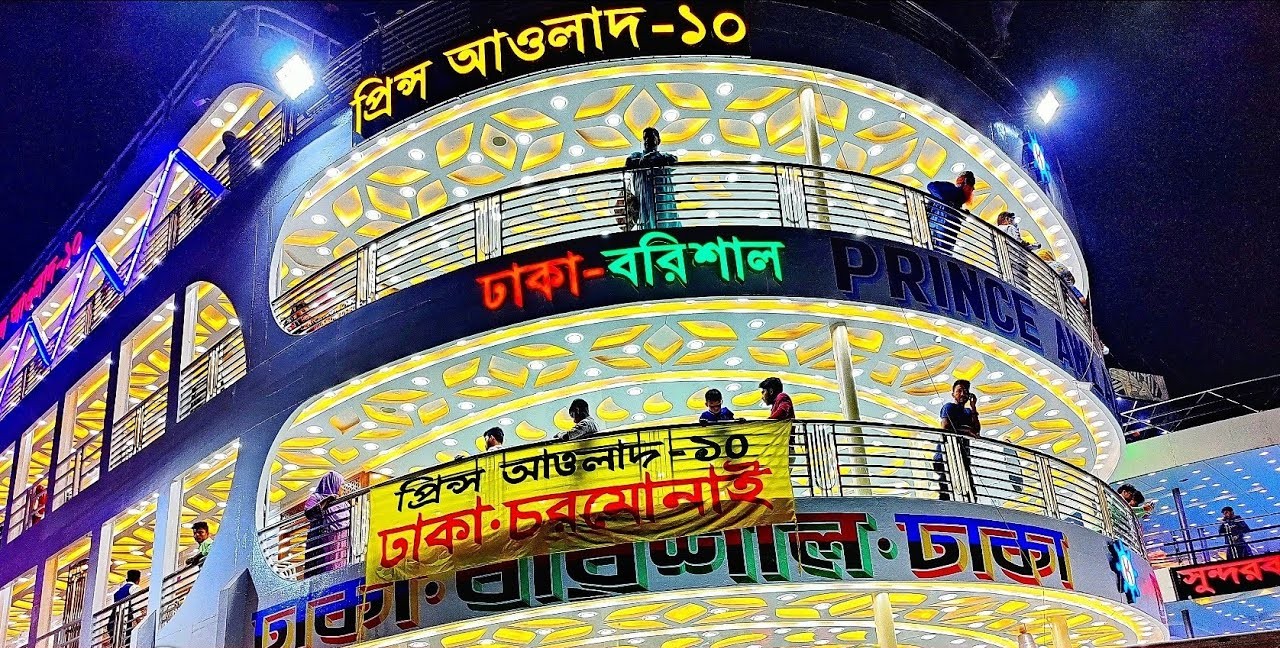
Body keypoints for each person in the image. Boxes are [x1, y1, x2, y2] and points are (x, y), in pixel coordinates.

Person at [619, 127, 678, 230]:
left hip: (662, 199)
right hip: (644, 199)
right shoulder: (636, 156)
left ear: (658, 140)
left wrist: (655, 158)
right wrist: (643, 160)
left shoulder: (664, 157)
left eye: (651, 137)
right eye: (645, 138)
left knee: (664, 220)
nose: (647, 140)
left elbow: (674, 160)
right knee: (646, 223)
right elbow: (628, 163)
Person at [934, 379, 980, 501]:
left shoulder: (968, 412)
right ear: (953, 394)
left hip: (962, 455)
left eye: (965, 391)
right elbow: (945, 426)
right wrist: (966, 431)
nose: (963, 394)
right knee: (946, 487)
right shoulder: (949, 407)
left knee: (968, 488)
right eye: (959, 391)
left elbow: (976, 430)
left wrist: (973, 407)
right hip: (946, 455)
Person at [303, 471, 349, 578]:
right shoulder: (316, 497)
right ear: (334, 484)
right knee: (319, 574)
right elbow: (309, 513)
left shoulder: (343, 503)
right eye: (341, 484)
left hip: (339, 544)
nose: (343, 488)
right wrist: (327, 501)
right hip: (321, 542)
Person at [925, 171, 975, 253]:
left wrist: (961, 215)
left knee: (943, 252)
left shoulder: (958, 201)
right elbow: (931, 186)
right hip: (940, 224)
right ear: (965, 182)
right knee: (937, 251)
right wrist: (945, 201)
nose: (973, 189)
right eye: (971, 185)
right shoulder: (952, 189)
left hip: (946, 228)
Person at [108, 569, 143, 647]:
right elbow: (135, 606)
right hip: (126, 620)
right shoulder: (135, 588)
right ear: (138, 580)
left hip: (115, 620)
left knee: (117, 642)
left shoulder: (119, 591)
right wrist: (140, 622)